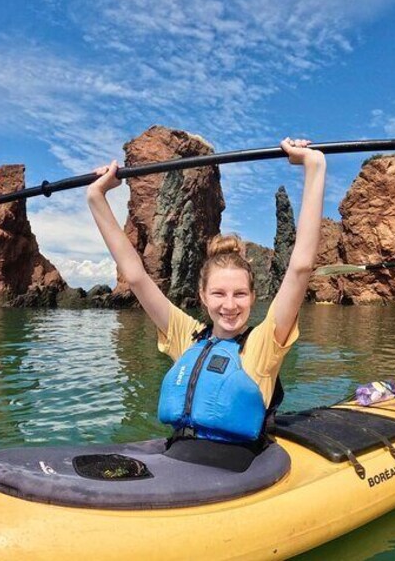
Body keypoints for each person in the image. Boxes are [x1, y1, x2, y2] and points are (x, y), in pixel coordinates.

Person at [87, 138, 326, 470]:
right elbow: (136, 275)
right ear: (202, 296)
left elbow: (300, 266)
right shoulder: (186, 336)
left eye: (240, 294)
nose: (230, 305)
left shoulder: (263, 345)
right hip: (177, 458)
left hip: (233, 472)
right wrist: (96, 196)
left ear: (254, 297)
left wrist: (314, 168)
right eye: (219, 294)